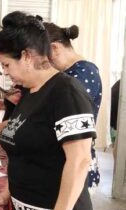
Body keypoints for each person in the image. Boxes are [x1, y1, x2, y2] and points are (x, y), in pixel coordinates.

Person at [0, 11, 96, 210]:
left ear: (27, 56)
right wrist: (6, 194)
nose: (4, 72)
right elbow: (23, 153)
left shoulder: (66, 91)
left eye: (6, 64)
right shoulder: (29, 93)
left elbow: (80, 161)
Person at [44, 22, 102, 191]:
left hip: (76, 165)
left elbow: (61, 113)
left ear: (54, 48)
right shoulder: (68, 74)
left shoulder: (84, 73)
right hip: (63, 162)